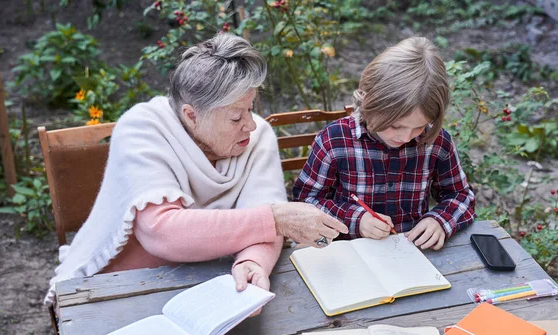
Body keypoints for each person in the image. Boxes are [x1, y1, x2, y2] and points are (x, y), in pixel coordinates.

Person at [44, 33, 348, 308]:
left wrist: (254, 262)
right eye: (235, 117)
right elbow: (162, 233)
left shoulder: (257, 136)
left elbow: (266, 224)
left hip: (211, 282)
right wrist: (275, 218)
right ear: (191, 115)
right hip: (125, 286)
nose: (251, 124)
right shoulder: (142, 128)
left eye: (250, 108)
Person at [293, 37, 475, 250]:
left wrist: (439, 220)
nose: (407, 137)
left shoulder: (435, 141)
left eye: (418, 126)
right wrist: (356, 220)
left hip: (411, 254)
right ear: (369, 101)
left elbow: (461, 195)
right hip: (347, 254)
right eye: (396, 126)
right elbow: (306, 203)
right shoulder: (335, 140)